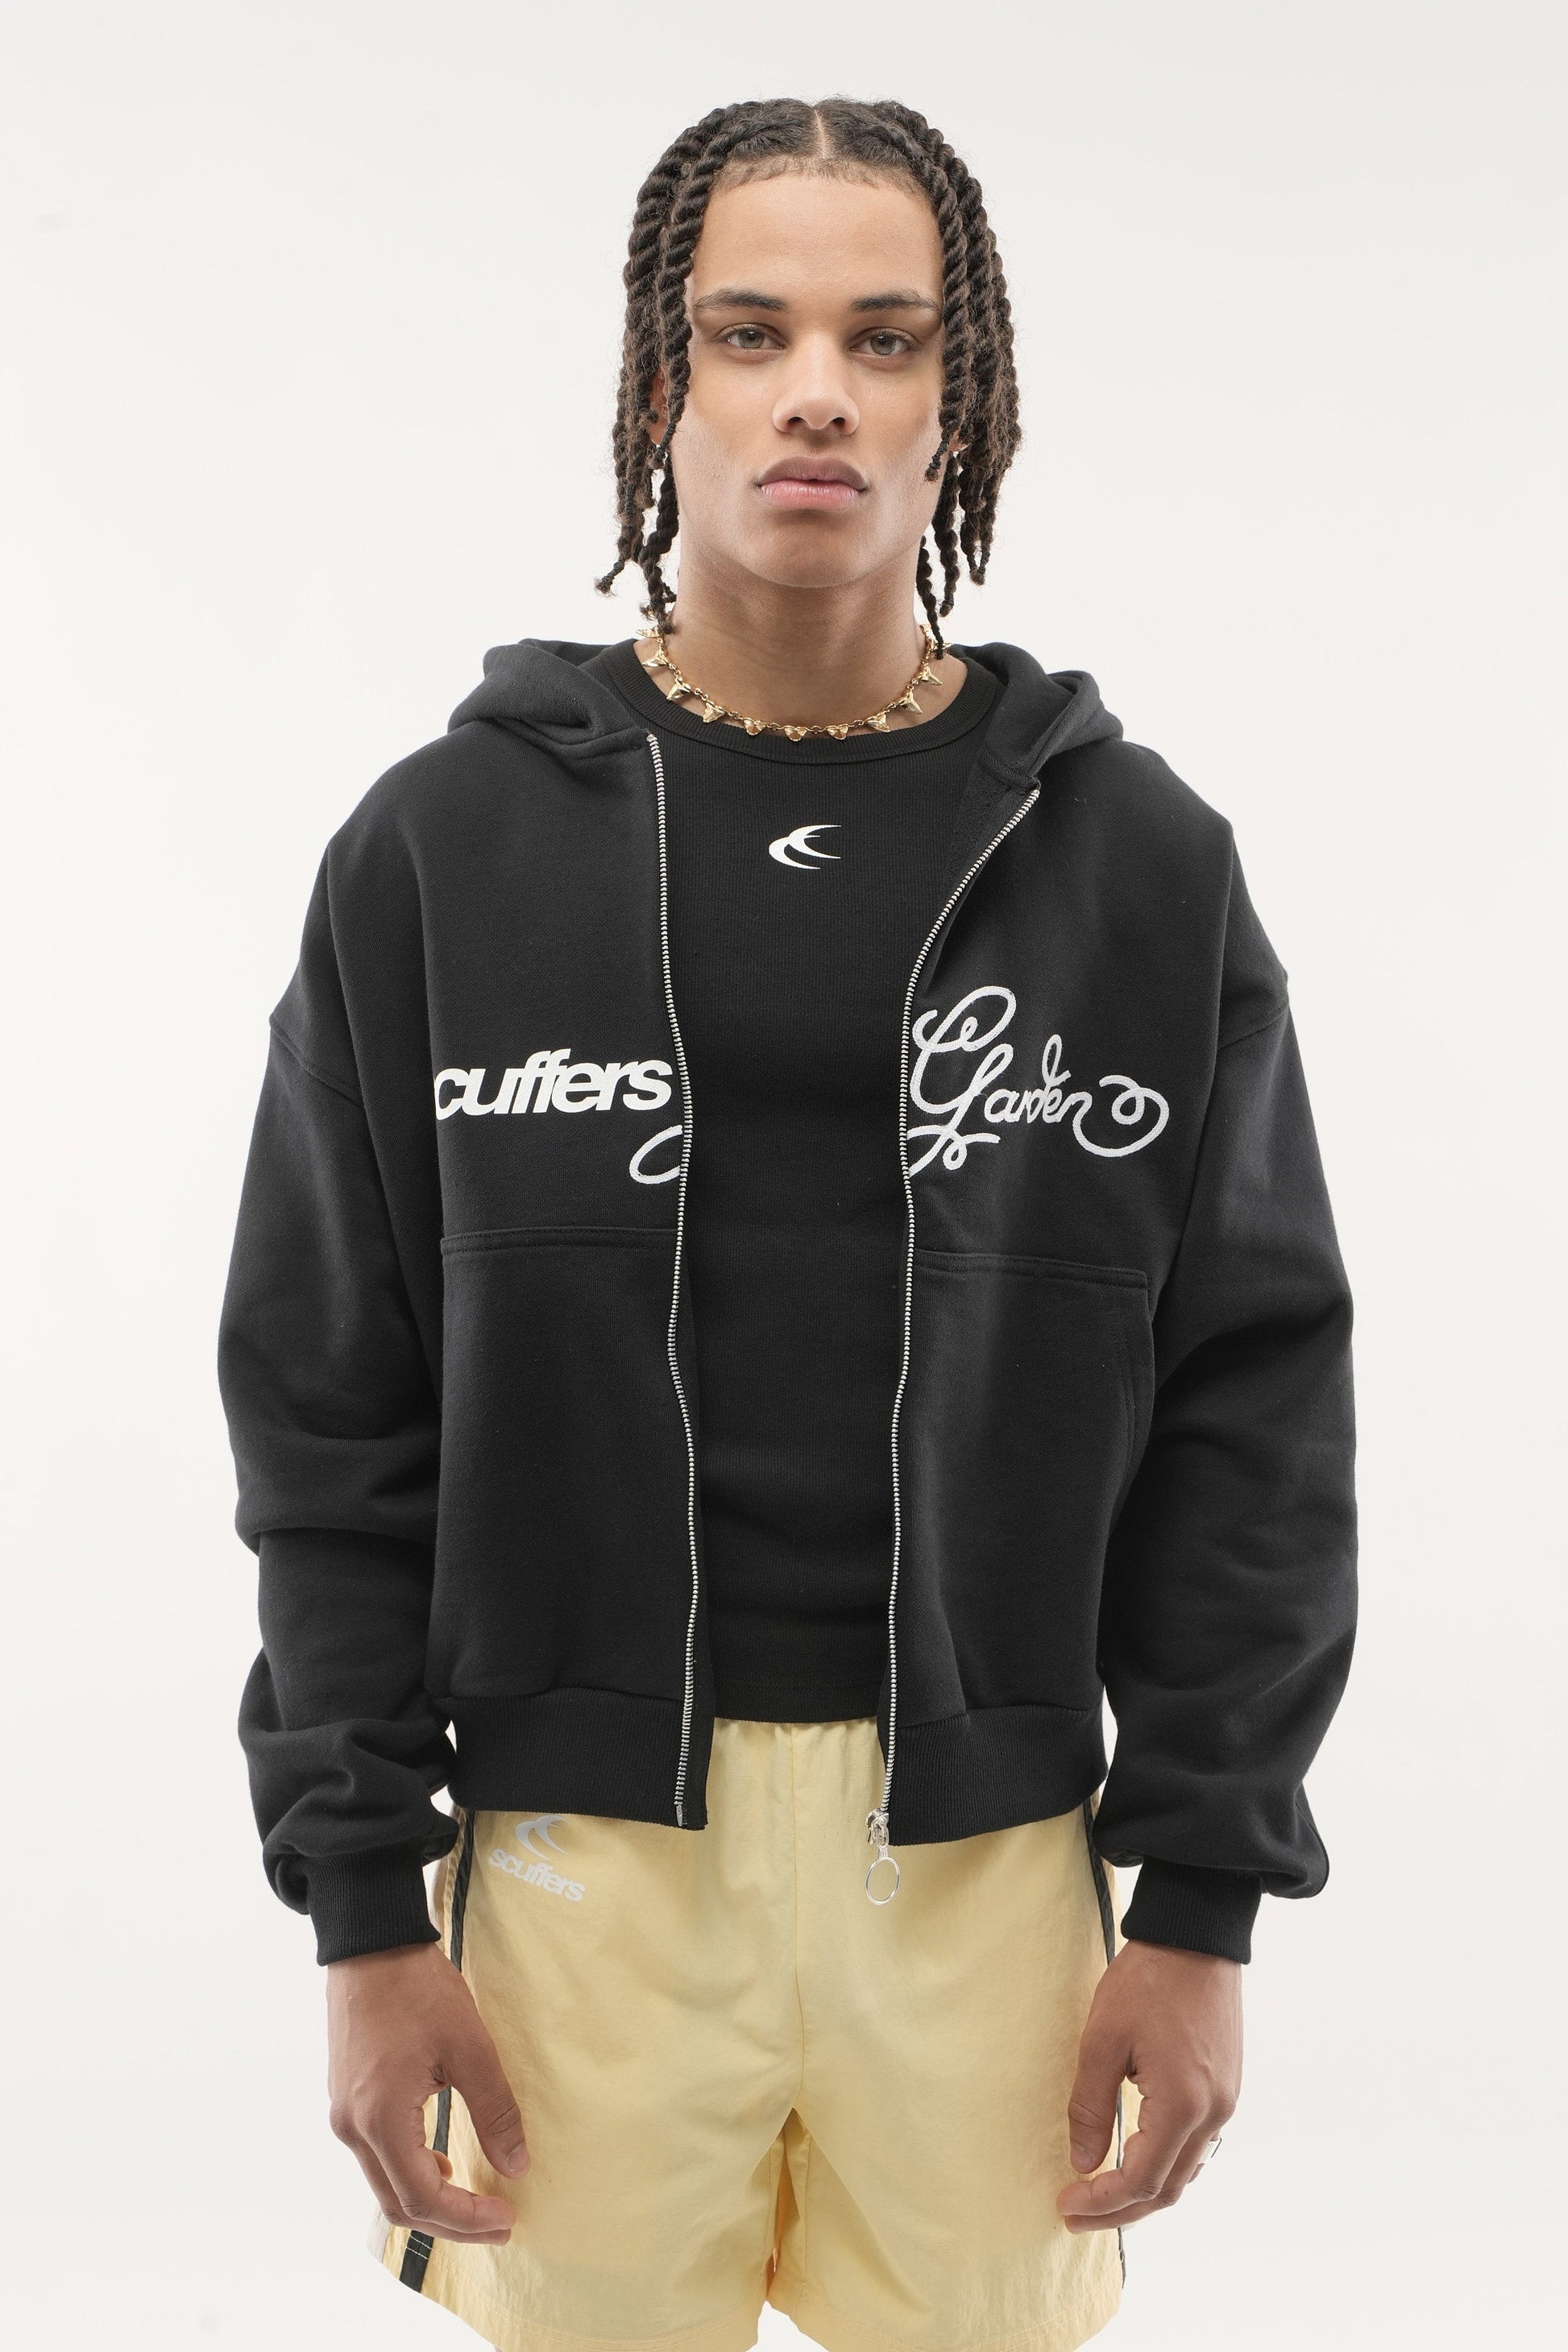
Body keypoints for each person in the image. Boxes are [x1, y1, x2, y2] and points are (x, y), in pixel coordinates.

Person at [218, 95, 1356, 2352]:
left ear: (964, 396)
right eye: (749, 333)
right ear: (665, 385)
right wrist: (364, 1911)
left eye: (883, 336)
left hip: (990, 1861)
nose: (815, 390)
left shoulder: (1135, 861)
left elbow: (1255, 1401)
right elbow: (328, 1403)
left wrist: (1200, 1898)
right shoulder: (441, 848)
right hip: (577, 1863)